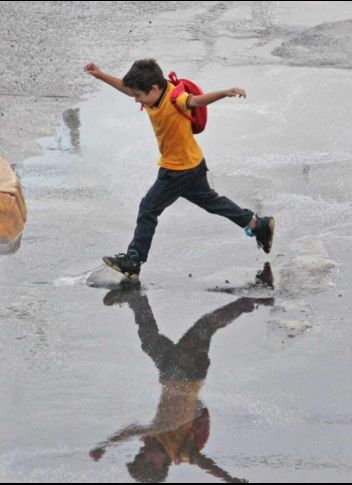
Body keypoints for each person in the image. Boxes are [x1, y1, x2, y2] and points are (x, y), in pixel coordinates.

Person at [84, 59, 274, 280]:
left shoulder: (176, 99)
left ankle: (133, 260)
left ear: (154, 88)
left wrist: (225, 92)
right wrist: (100, 75)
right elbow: (126, 89)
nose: (136, 99)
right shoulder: (152, 91)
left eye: (139, 95)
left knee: (148, 209)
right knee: (212, 202)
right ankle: (257, 224)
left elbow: (198, 100)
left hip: (177, 170)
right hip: (193, 163)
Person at [90, 287, 272, 482]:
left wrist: (107, 444)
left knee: (150, 342)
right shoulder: (180, 450)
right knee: (204, 326)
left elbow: (134, 429)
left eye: (139, 455)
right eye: (144, 458)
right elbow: (204, 463)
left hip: (170, 372)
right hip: (188, 372)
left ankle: (135, 297)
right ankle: (252, 301)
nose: (142, 452)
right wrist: (229, 479)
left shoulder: (155, 438)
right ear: (159, 465)